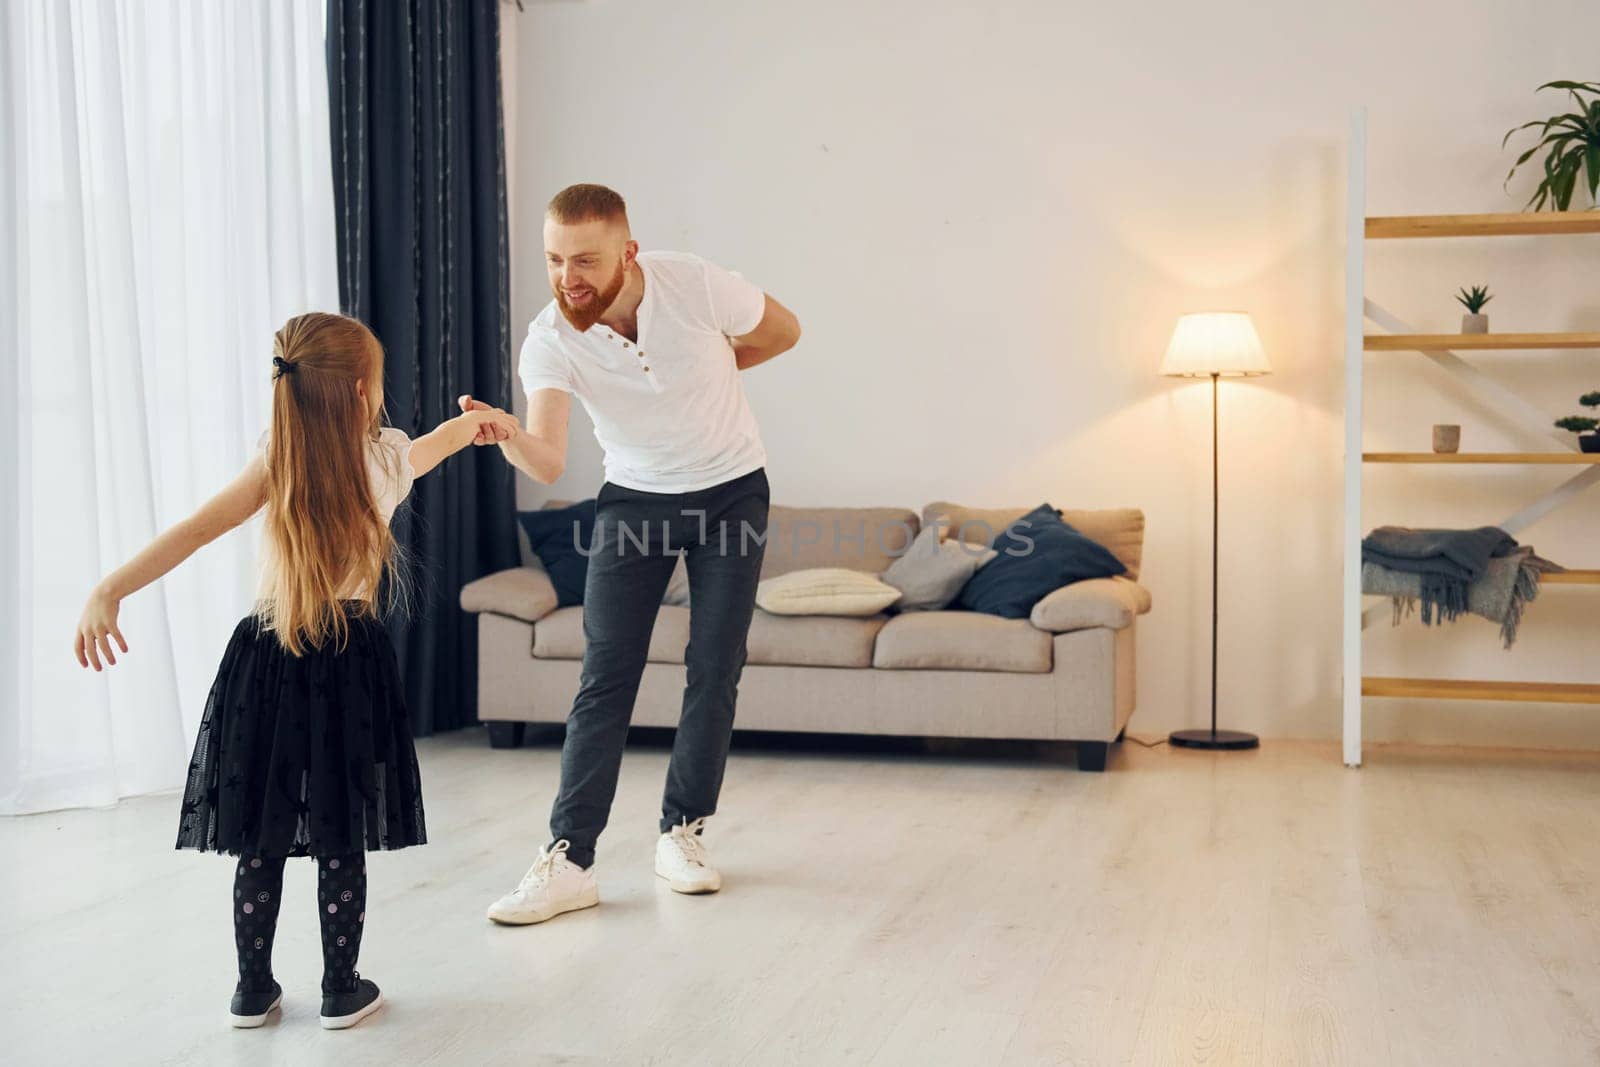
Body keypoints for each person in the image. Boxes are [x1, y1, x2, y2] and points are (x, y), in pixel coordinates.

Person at [72, 312, 520, 1029]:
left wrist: (109, 589)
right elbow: (439, 441)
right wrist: (482, 422)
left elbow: (193, 528)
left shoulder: (273, 458)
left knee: (264, 834)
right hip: (351, 661)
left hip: (267, 655)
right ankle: (342, 988)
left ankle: (252, 989)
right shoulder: (384, 461)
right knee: (341, 832)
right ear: (364, 389)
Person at [464, 183, 801, 925]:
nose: (567, 277)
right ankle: (571, 859)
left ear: (629, 251)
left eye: (584, 259)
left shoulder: (694, 284)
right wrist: (507, 434)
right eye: (554, 259)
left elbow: (785, 330)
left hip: (731, 492)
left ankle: (682, 832)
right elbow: (549, 459)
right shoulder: (550, 337)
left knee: (715, 665)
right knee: (604, 675)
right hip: (636, 500)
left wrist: (713, 373)